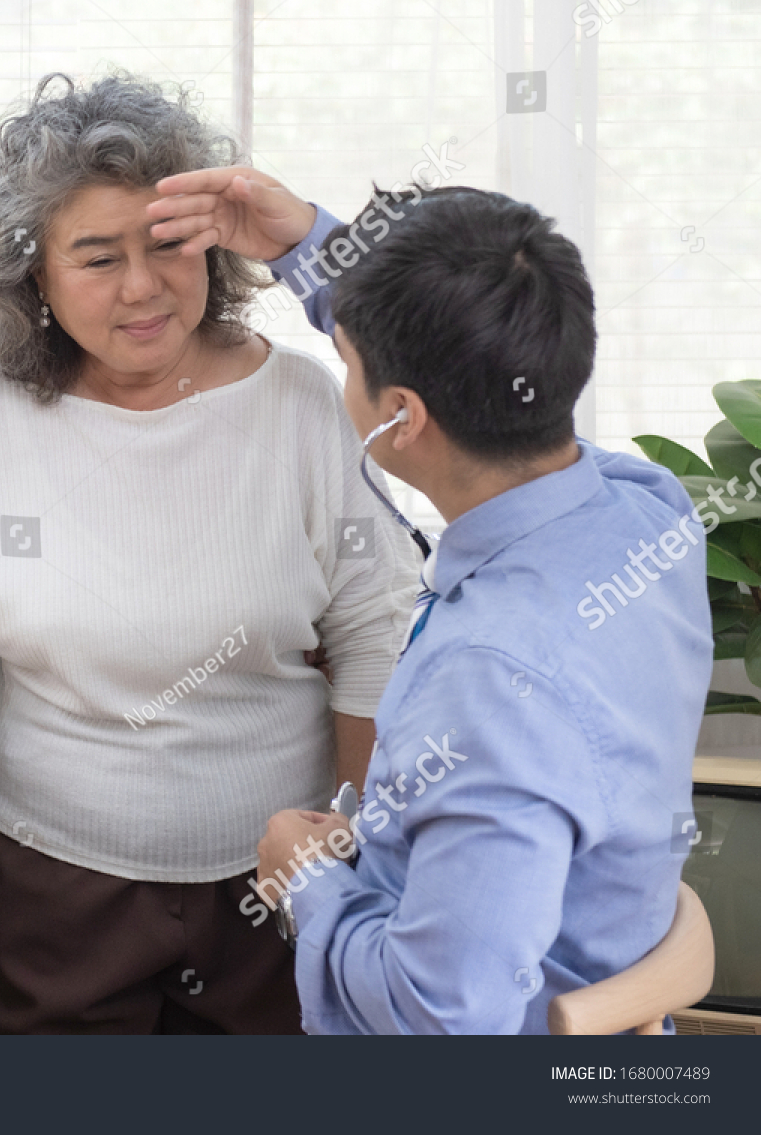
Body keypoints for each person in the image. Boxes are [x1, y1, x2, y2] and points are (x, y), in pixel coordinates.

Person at [0, 72, 415, 1034]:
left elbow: (376, 640)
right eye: (98, 258)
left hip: (278, 887)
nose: (142, 286)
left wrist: (355, 853)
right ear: (36, 281)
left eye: (168, 245)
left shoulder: (304, 404)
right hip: (53, 897)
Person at [154, 176, 710, 1032]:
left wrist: (306, 880)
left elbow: (441, 1018)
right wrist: (312, 245)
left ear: (401, 418)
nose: (343, 373)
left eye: (349, 362)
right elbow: (477, 354)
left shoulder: (491, 684)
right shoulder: (647, 510)